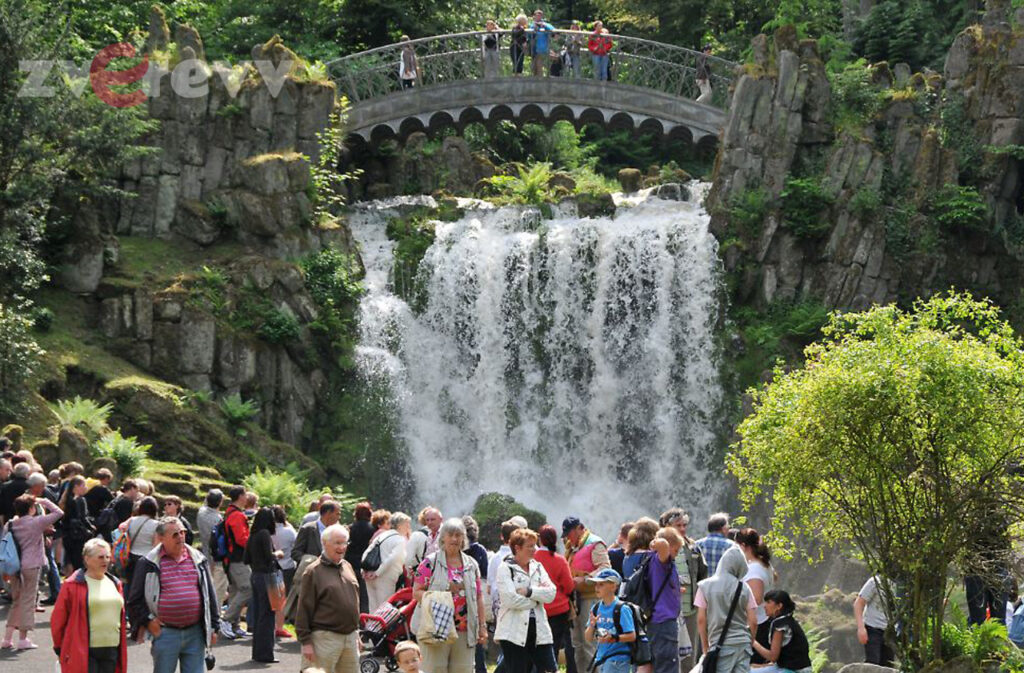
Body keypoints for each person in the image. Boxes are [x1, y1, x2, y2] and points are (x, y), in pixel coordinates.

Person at [127, 516, 220, 673]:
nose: (181, 537)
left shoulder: (197, 559)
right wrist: (149, 622)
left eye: (182, 532)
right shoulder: (148, 562)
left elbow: (209, 594)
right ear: (161, 538)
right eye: (175, 534)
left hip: (195, 633)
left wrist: (215, 626)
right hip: (166, 634)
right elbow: (134, 600)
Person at [412, 518, 487, 673]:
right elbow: (417, 593)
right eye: (450, 534)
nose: (454, 539)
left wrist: (482, 627)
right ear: (443, 537)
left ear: (463, 538)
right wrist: (445, 591)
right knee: (435, 670)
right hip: (436, 629)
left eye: (458, 535)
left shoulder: (472, 564)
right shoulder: (429, 563)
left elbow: (479, 597)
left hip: (465, 630)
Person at [51, 538, 128, 673]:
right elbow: (58, 620)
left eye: (107, 557)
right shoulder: (72, 585)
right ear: (87, 559)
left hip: (111, 649)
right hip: (83, 650)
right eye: (100, 557)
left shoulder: (116, 583)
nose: (105, 560)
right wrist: (59, 648)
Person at [295, 523, 362, 673]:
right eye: (338, 543)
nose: (342, 547)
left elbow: (354, 601)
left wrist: (356, 632)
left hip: (349, 637)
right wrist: (305, 642)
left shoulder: (347, 566)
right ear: (324, 543)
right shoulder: (313, 571)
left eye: (345, 542)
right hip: (325, 638)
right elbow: (304, 608)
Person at [2, 493, 63, 649]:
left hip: (14, 566)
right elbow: (59, 513)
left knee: (16, 601)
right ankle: (23, 639)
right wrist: (44, 501)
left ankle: (7, 638)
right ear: (31, 508)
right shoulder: (36, 522)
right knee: (28, 601)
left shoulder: (10, 524)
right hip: (32, 565)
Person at [495, 528, 557, 673]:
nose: (534, 549)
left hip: (539, 630)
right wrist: (536, 601)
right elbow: (510, 600)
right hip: (513, 632)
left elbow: (551, 594)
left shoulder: (538, 567)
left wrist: (529, 592)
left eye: (535, 545)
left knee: (550, 670)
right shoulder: (505, 569)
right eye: (530, 546)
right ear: (517, 548)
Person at [694, 546, 757, 673]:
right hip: (743, 645)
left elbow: (701, 620)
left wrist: (705, 647)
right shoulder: (744, 588)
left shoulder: (704, 586)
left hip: (720, 646)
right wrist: (750, 642)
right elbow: (753, 621)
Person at [660, 508, 706, 672]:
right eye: (678, 525)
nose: (683, 529)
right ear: (667, 526)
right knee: (668, 653)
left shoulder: (693, 547)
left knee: (689, 655)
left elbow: (702, 575)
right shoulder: (658, 548)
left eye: (684, 525)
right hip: (667, 611)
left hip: (690, 609)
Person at [563, 516, 611, 673]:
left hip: (591, 598)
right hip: (575, 600)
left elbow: (605, 569)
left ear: (579, 528)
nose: (568, 537)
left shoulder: (595, 543)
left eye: (569, 533)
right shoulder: (572, 546)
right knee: (577, 643)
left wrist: (584, 579)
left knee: (589, 642)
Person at [286, 500, 341, 623]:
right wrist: (310, 561)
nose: (339, 517)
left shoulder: (338, 531)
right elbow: (295, 552)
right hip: (312, 577)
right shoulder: (308, 528)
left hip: (331, 575)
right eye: (337, 513)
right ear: (327, 513)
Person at [535, 525, 577, 673]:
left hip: (537, 609)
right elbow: (569, 586)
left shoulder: (532, 559)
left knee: (536, 647)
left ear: (539, 539)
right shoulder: (559, 560)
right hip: (559, 610)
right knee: (553, 646)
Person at [244, 507, 282, 663]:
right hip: (268, 576)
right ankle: (266, 654)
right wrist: (278, 554)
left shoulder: (252, 535)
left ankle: (258, 652)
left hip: (255, 576)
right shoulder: (265, 534)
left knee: (260, 615)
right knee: (268, 616)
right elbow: (269, 557)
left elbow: (246, 558)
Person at [736, 528, 776, 666]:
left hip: (757, 624)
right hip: (763, 621)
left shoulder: (753, 569)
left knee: (754, 665)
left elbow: (756, 599)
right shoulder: (764, 563)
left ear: (742, 546)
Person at [584, 568, 636, 673]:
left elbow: (632, 636)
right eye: (596, 584)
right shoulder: (596, 608)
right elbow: (588, 638)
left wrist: (613, 638)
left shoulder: (622, 609)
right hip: (601, 659)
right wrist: (592, 626)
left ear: (613, 586)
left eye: (601, 584)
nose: (597, 588)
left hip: (618, 660)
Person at [648, 528, 683, 673]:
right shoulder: (661, 560)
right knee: (667, 668)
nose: (675, 555)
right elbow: (663, 544)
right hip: (664, 622)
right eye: (676, 551)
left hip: (657, 622)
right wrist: (655, 542)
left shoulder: (657, 562)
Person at [751, 591, 811, 673]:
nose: (765, 606)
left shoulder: (781, 625)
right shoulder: (786, 620)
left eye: (768, 602)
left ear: (779, 606)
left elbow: (772, 656)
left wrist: (753, 641)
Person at [221, 485, 252, 640]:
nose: (247, 497)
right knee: (247, 588)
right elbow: (241, 539)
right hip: (238, 558)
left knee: (235, 590)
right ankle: (226, 620)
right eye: (245, 494)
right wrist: (253, 546)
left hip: (231, 558)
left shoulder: (230, 512)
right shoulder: (237, 515)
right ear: (240, 496)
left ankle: (235, 625)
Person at [363, 509, 407, 612]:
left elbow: (367, 551)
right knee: (384, 608)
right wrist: (378, 573)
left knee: (372, 607)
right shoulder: (400, 539)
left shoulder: (382, 535)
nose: (408, 527)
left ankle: (371, 628)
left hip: (369, 575)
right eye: (407, 524)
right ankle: (382, 628)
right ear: (400, 525)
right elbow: (393, 558)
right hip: (385, 577)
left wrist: (364, 570)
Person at [196, 489, 227, 605]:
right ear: (219, 502)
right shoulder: (218, 519)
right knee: (216, 585)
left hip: (204, 550)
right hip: (215, 554)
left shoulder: (201, 512)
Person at [854, 575, 893, 667]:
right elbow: (859, 603)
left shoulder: (902, 585)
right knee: (873, 663)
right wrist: (861, 628)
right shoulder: (875, 581)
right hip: (872, 628)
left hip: (891, 632)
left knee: (888, 666)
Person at [122, 495, 160, 590]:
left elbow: (122, 530)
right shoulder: (156, 525)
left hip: (130, 556)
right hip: (147, 558)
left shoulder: (132, 520)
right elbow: (156, 545)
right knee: (142, 586)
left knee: (129, 584)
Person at [60, 474, 95, 572]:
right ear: (76, 486)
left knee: (70, 559)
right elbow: (83, 517)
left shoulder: (65, 500)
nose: (86, 488)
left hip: (67, 534)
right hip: (78, 535)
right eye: (83, 485)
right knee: (79, 560)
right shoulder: (80, 500)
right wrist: (91, 527)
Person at [272, 505, 297, 637]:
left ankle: (270, 625)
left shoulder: (266, 532)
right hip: (287, 566)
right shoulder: (289, 531)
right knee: (282, 599)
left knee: (270, 597)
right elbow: (296, 545)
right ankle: (279, 626)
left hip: (271, 567)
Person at [347, 501, 375, 613]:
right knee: (365, 595)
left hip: (350, 564)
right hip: (365, 565)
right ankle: (364, 618)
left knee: (351, 593)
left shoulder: (350, 528)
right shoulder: (373, 529)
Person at [696, 513, 736, 577]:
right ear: (723, 528)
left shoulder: (697, 545)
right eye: (728, 526)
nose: (729, 528)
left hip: (703, 586)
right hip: (724, 586)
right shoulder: (731, 546)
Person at [407, 506, 443, 572]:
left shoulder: (446, 533)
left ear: (441, 519)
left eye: (432, 519)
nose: (429, 522)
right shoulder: (430, 534)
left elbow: (408, 558)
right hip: (430, 573)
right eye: (427, 520)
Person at [529, 9, 555, 77]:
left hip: (544, 49)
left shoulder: (546, 25)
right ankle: (536, 81)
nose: (538, 18)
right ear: (534, 17)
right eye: (537, 16)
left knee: (540, 66)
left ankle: (542, 80)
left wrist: (544, 26)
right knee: (535, 68)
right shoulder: (532, 25)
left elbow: (554, 31)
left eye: (540, 16)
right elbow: (528, 35)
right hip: (535, 50)